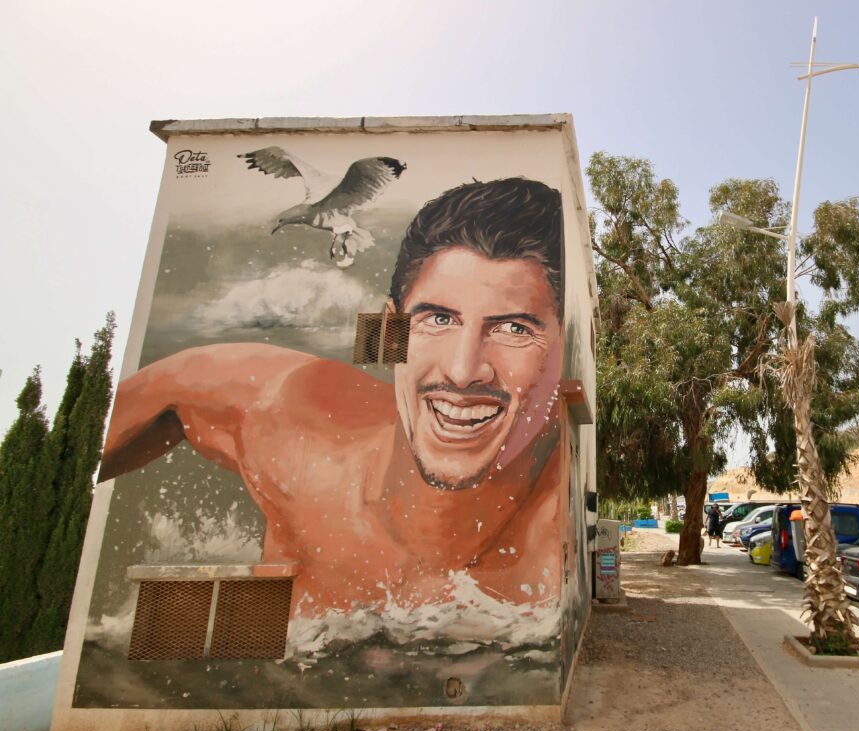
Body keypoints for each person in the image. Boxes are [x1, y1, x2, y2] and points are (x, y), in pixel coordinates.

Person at [98, 178, 565, 619]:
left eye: (514, 329)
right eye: (438, 320)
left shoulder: (552, 541)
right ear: (390, 331)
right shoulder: (294, 423)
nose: (463, 372)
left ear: (562, 353)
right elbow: (103, 432)